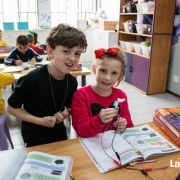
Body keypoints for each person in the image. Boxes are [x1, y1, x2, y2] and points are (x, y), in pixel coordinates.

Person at [7, 23, 87, 147]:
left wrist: (64, 114)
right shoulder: (32, 79)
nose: (72, 58)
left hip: (59, 134)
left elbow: (69, 108)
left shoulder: (71, 81)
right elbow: (12, 108)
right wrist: (41, 121)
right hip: (34, 137)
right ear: (50, 51)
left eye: (77, 53)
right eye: (66, 51)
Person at [71, 46, 134, 138]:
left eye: (114, 73)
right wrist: (99, 120)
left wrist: (124, 123)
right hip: (90, 145)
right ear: (94, 69)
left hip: (115, 144)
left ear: (120, 75)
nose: (107, 78)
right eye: (103, 71)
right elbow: (81, 130)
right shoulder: (81, 95)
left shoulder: (121, 95)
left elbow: (129, 124)